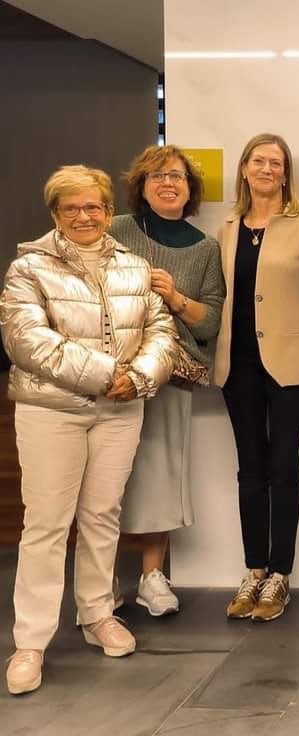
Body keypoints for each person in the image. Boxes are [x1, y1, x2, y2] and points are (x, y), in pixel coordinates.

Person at [1, 166, 175, 695]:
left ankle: (98, 614)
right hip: (51, 411)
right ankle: (30, 642)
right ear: (55, 214)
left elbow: (160, 331)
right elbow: (26, 341)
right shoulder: (27, 269)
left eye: (93, 207)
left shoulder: (133, 266)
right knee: (48, 524)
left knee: (102, 516)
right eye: (72, 208)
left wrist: (140, 378)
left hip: (121, 411)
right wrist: (107, 376)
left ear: (107, 211)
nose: (84, 216)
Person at [215, 134, 299, 623]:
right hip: (237, 364)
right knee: (250, 467)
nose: (268, 169)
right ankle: (254, 569)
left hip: (291, 365)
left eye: (277, 163)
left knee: (283, 463)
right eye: (259, 161)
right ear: (244, 169)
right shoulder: (227, 228)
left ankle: (280, 575)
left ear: (287, 174)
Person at [111, 145, 225, 616]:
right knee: (106, 480)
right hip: (111, 375)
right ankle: (102, 583)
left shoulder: (204, 248)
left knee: (159, 476)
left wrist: (176, 297)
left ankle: (152, 578)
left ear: (190, 188)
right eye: (157, 176)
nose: (167, 183)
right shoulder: (114, 230)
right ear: (141, 186)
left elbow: (211, 321)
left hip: (170, 377)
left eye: (176, 176)